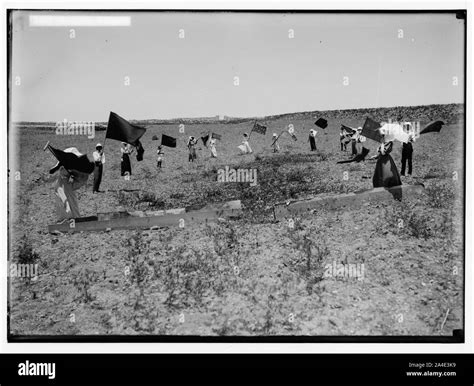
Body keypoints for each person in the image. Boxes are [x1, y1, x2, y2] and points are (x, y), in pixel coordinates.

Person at [49, 148, 90, 222]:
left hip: (70, 183)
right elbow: (53, 170)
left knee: (71, 200)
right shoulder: (62, 163)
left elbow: (82, 177)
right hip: (62, 182)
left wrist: (73, 174)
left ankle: (74, 218)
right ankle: (66, 219)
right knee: (64, 201)